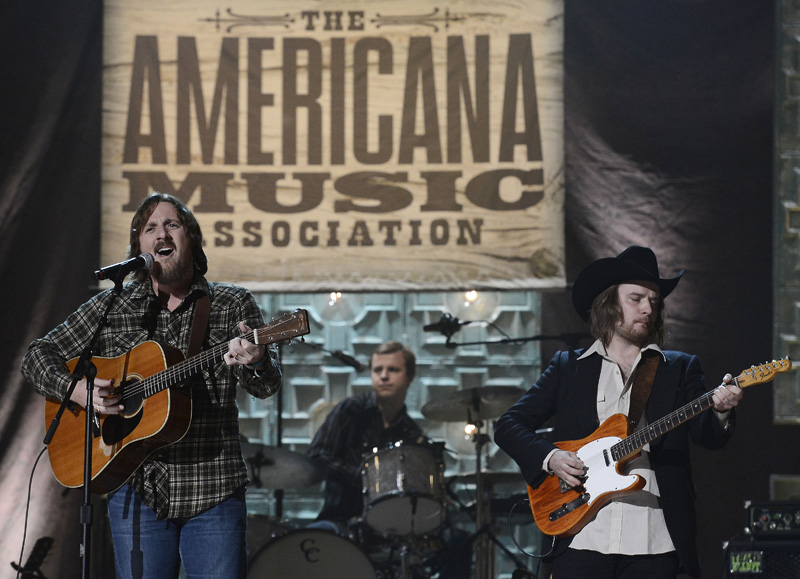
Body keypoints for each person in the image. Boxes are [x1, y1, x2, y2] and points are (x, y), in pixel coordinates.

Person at [21, 192, 282, 579]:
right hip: (135, 486)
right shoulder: (114, 305)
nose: (162, 233)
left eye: (172, 225)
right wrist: (80, 392)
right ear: (139, 247)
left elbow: (265, 387)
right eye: (150, 228)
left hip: (212, 485)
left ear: (190, 239)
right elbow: (36, 357)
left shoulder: (230, 304)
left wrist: (258, 360)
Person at [494, 246, 743, 579]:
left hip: (654, 538)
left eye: (654, 302)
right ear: (609, 304)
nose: (647, 309)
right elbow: (509, 425)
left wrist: (721, 411)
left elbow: (707, 436)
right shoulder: (569, 368)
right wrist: (551, 458)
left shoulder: (679, 368)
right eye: (636, 298)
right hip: (581, 534)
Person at [307, 340, 470, 578]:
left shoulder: (412, 434)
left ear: (410, 376)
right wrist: (365, 476)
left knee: (458, 541)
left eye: (392, 370)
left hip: (392, 530)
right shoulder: (350, 411)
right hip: (340, 519)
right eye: (377, 370)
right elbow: (317, 457)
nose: (383, 376)